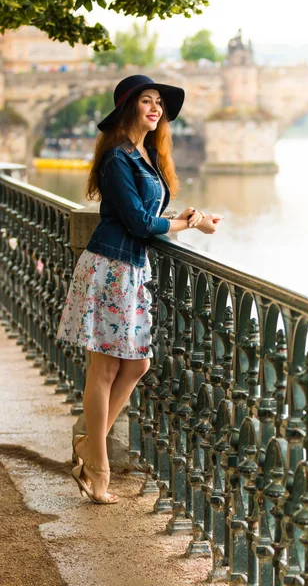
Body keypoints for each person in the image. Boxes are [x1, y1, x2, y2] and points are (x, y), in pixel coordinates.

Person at [56, 74, 222, 504]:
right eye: (146, 101)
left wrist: (181, 215)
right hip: (108, 267)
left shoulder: (145, 153)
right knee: (106, 369)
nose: (156, 108)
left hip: (130, 269)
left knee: (136, 366)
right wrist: (192, 224)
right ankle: (98, 466)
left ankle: (88, 444)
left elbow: (149, 213)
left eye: (159, 103)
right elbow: (140, 224)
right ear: (128, 109)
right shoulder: (116, 157)